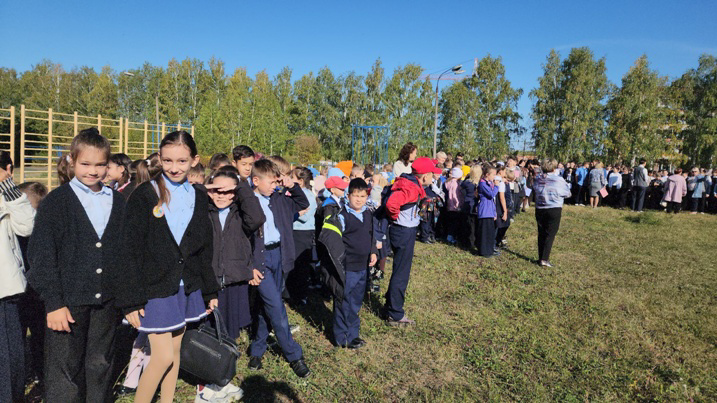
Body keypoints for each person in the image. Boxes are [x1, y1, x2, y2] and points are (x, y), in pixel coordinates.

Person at [118, 131, 219, 403]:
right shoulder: (144, 195)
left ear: (195, 160)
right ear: (159, 159)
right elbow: (129, 250)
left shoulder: (198, 196)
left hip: (186, 287)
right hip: (154, 287)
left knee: (175, 353)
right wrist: (129, 299)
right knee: (161, 358)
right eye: (168, 160)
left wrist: (210, 290)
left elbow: (203, 249)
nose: (175, 167)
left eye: (182, 161)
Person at [27, 128, 126, 402]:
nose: (92, 171)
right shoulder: (55, 203)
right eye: (85, 164)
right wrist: (54, 303)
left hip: (106, 302)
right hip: (67, 305)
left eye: (100, 165)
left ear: (108, 165)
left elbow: (123, 253)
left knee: (100, 365)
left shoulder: (116, 201)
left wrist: (128, 299)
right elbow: (42, 257)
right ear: (71, 160)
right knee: (65, 372)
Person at [196, 165, 265, 402]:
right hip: (209, 283)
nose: (222, 196)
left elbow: (257, 218)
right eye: (217, 191)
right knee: (209, 333)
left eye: (228, 192)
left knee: (230, 334)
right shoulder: (203, 212)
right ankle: (205, 387)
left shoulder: (241, 214)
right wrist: (205, 188)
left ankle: (222, 379)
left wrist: (241, 186)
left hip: (235, 282)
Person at [247, 159, 311, 378]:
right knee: (276, 307)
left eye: (277, 181)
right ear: (256, 180)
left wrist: (290, 184)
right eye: (271, 182)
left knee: (268, 306)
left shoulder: (279, 198)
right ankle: (294, 355)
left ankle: (257, 348)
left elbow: (303, 203)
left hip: (280, 255)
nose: (275, 185)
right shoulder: (247, 200)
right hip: (260, 258)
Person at [320, 178, 378, 348]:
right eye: (355, 196)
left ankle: (353, 334)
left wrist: (373, 250)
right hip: (347, 267)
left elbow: (371, 234)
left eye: (362, 196)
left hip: (362, 267)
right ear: (348, 195)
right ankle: (341, 337)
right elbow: (334, 242)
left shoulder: (368, 214)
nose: (359, 199)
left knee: (356, 301)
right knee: (343, 300)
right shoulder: (342, 216)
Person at [383, 157, 438, 326]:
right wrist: (395, 217)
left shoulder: (412, 183)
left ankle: (391, 306)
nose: (434, 177)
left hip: (403, 230)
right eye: (432, 174)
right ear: (424, 175)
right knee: (401, 273)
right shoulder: (412, 187)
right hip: (403, 231)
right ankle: (395, 313)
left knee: (400, 271)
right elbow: (392, 205)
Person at [0, 151, 35, 402]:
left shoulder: (7, 195)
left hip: (5, 289)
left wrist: (8, 188)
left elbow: (27, 226)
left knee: (9, 356)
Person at [532, 159, 571, 267]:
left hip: (540, 208)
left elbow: (535, 189)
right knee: (550, 233)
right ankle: (544, 259)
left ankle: (541, 257)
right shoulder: (558, 180)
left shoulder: (537, 179)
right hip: (554, 208)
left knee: (541, 233)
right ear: (554, 168)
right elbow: (567, 193)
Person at [288, 167, 318, 305]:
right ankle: (293, 292)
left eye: (291, 177)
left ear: (300, 181)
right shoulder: (298, 193)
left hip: (302, 233)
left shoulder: (307, 195)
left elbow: (305, 216)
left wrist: (288, 214)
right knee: (294, 263)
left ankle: (300, 296)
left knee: (300, 265)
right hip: (296, 231)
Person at [476, 165, 499, 257]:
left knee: (490, 232)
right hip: (485, 211)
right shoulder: (482, 184)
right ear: (487, 174)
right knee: (484, 232)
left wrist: (494, 212)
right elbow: (491, 194)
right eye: (493, 174)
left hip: (490, 211)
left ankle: (489, 250)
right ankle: (484, 251)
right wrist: (497, 186)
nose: (494, 177)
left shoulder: (489, 183)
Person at [459, 164, 481, 249]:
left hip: (467, 204)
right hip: (475, 205)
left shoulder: (467, 182)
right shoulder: (480, 184)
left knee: (468, 225)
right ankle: (473, 242)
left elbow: (461, 187)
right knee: (474, 225)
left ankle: (467, 242)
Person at [442, 167, 463, 244]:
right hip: (454, 206)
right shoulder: (455, 184)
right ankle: (450, 237)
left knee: (450, 222)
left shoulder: (448, 182)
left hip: (449, 205)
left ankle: (449, 235)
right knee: (454, 223)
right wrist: (458, 204)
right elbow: (455, 195)